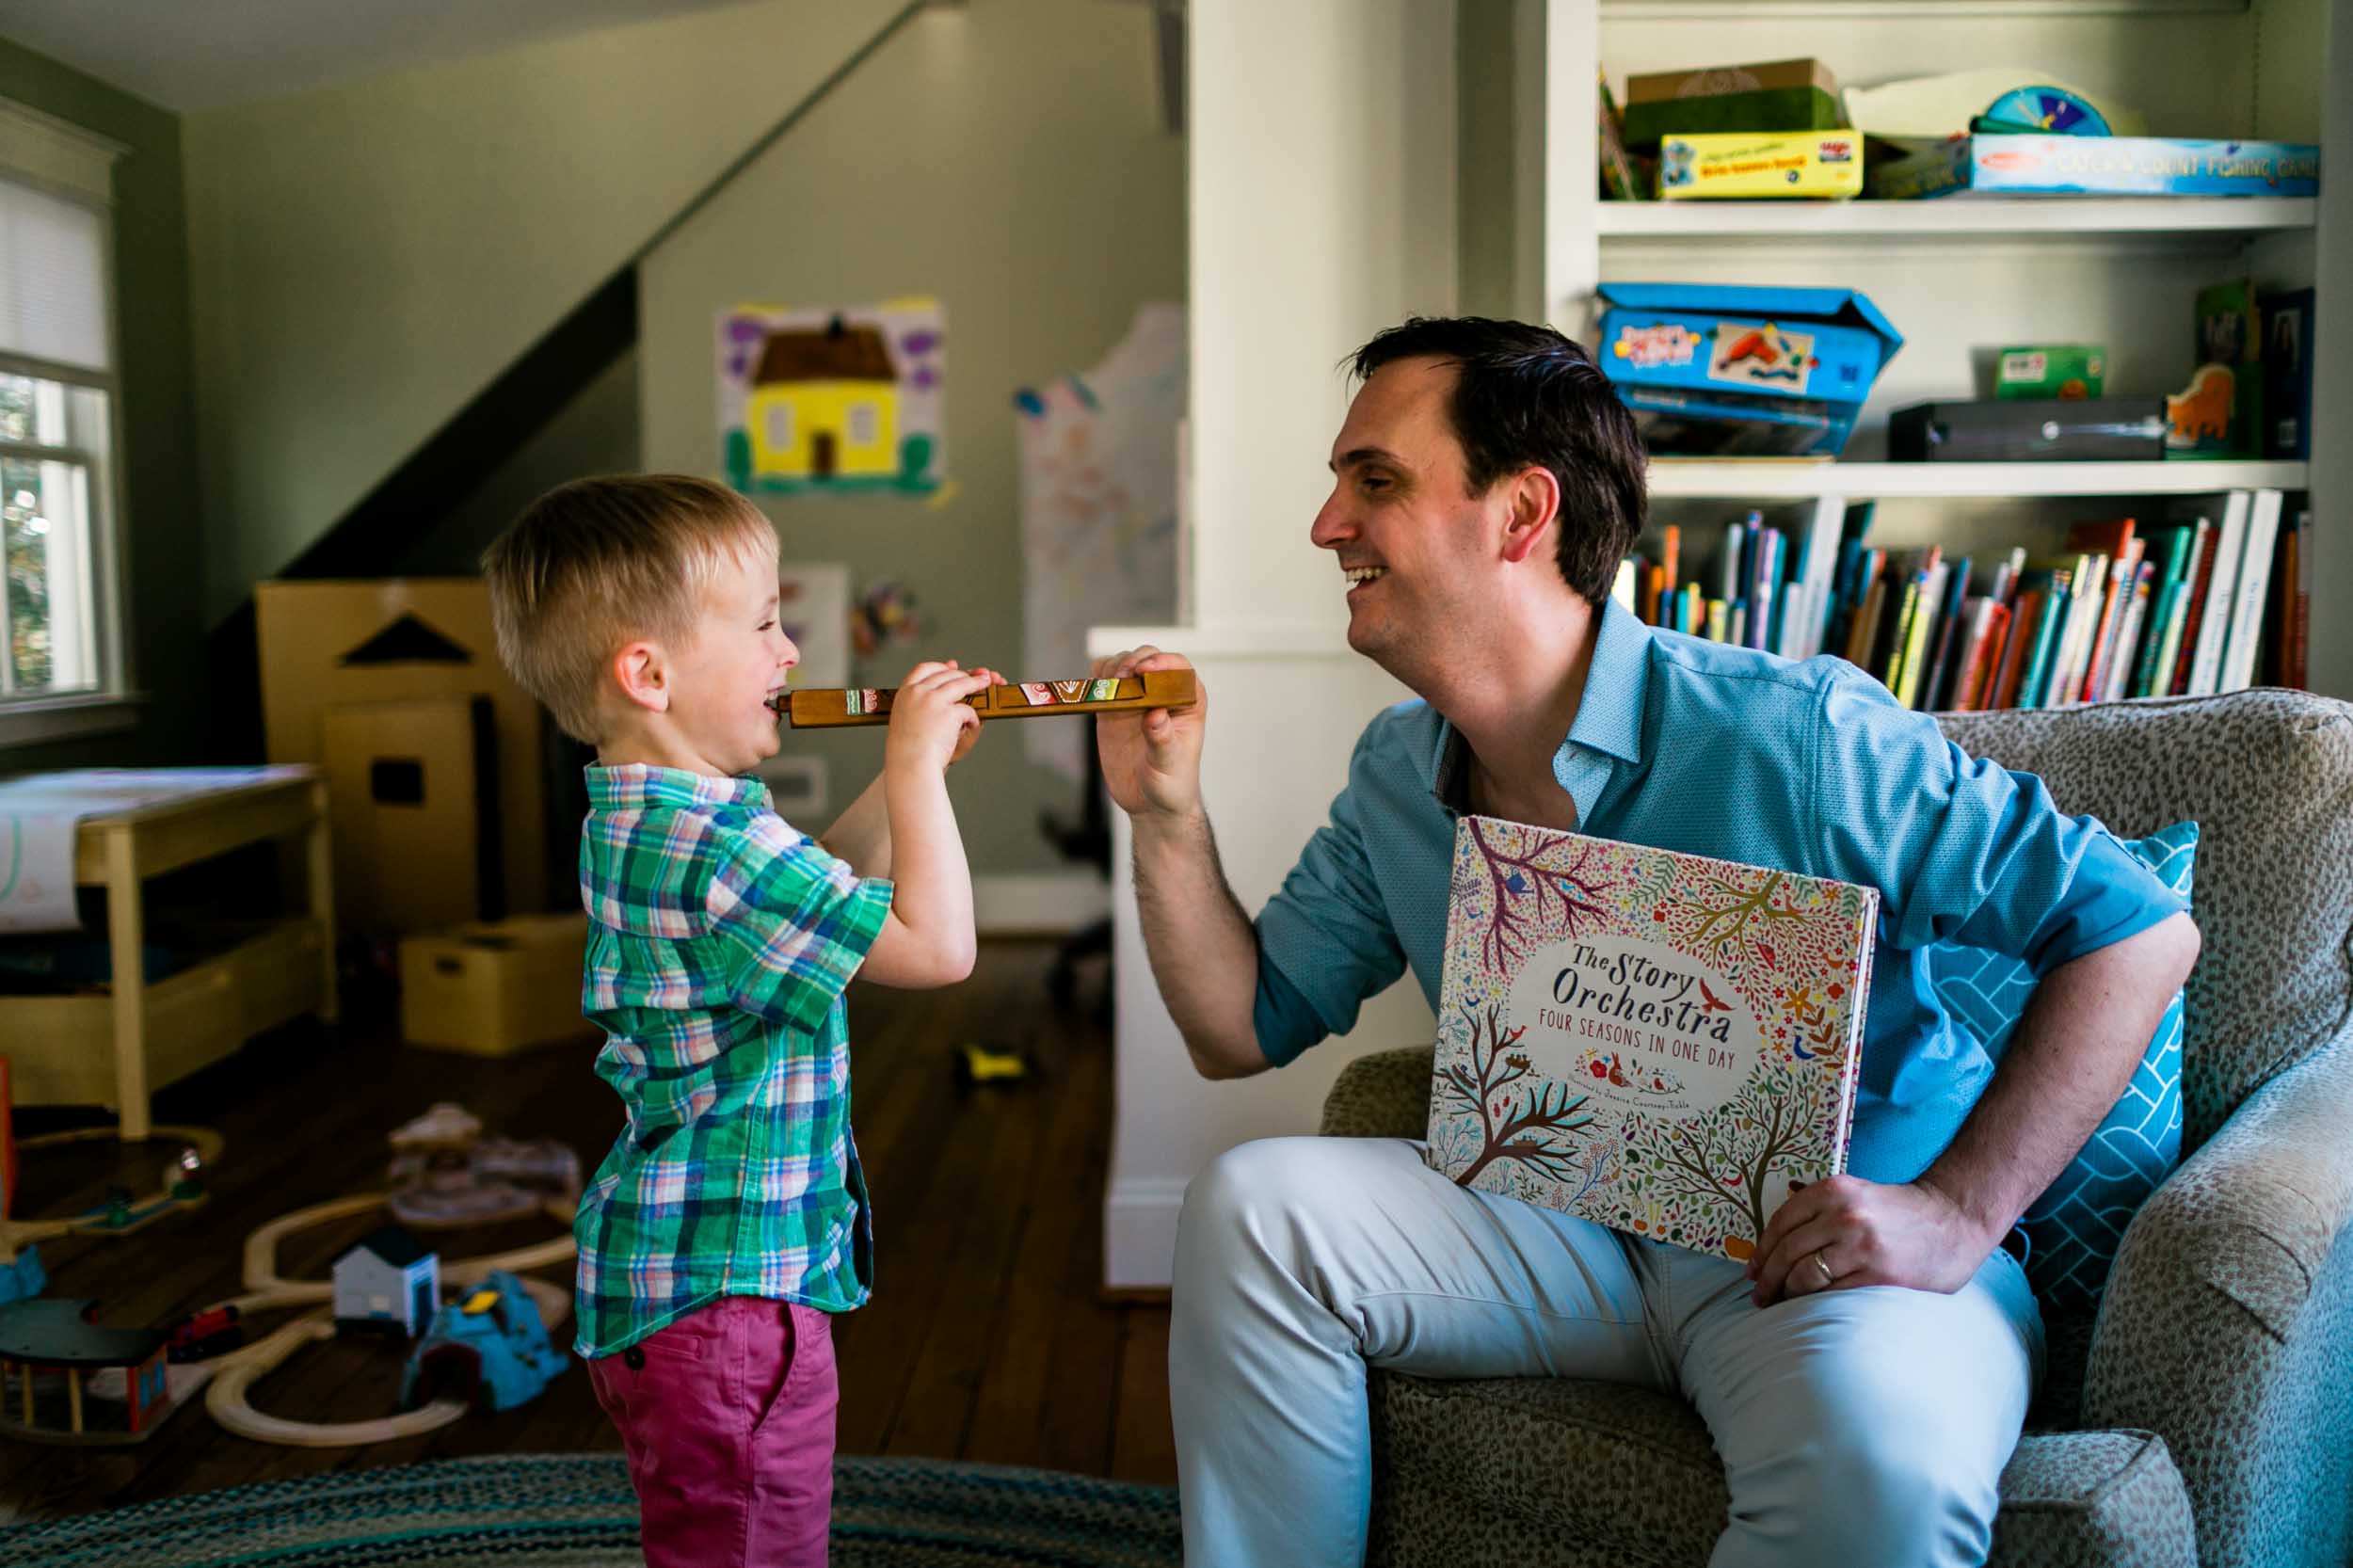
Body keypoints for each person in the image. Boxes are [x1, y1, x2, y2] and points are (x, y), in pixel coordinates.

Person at [1091, 318, 2201, 1568]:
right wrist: (1167, 816)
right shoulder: (1401, 773)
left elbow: (2137, 929)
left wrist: (1953, 1212)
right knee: (1252, 1205)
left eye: (1377, 480)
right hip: (1556, 1222)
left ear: (1522, 513)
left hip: (1824, 1254)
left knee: (1882, 1469)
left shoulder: (1800, 734)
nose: (1327, 523)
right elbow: (1243, 1023)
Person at [483, 473, 1000, 1568]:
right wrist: (914, 775)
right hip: (731, 1305)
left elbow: (824, 896)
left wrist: (910, 777)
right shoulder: (713, 850)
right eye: (764, 623)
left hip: (681, 1285)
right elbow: (936, 948)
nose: (790, 653)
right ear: (649, 672)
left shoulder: (654, 816)